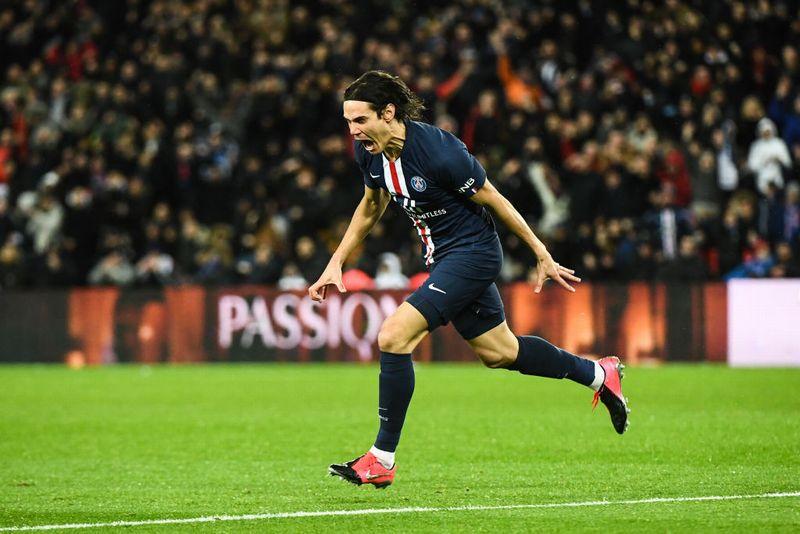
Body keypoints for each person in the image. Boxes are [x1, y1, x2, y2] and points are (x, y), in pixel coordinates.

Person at [308, 71, 629, 489]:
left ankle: (381, 458)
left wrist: (540, 251)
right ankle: (599, 375)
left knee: (393, 336)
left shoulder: (440, 151)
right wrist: (336, 261)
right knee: (500, 352)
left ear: (388, 113)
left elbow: (493, 197)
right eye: (348, 121)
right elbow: (372, 205)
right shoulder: (369, 152)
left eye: (360, 120)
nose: (353, 131)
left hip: (473, 253)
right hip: (443, 259)